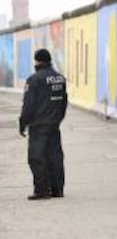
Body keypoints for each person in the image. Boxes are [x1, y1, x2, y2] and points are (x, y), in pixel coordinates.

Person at [19, 49, 68, 200]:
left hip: (39, 126)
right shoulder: (60, 78)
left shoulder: (34, 80)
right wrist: (58, 119)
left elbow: (29, 105)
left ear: (37, 61)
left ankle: (41, 190)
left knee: (36, 157)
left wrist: (23, 122)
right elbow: (64, 102)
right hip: (54, 125)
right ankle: (57, 189)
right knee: (55, 157)